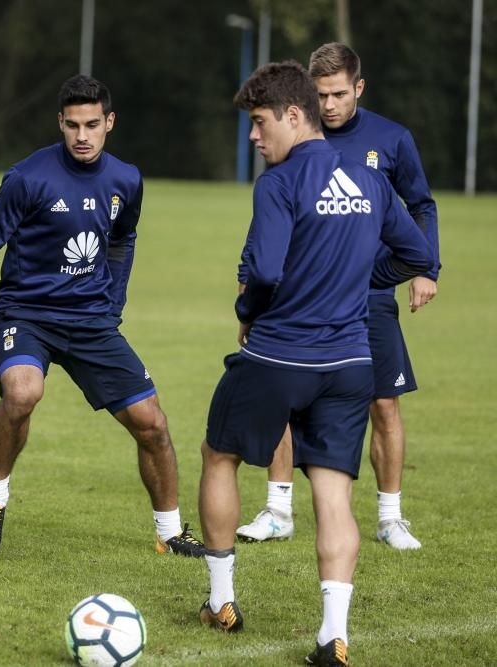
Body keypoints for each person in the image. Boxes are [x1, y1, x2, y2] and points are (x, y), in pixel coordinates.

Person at [196, 61, 431, 666]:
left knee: (219, 455)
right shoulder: (370, 180)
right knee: (333, 496)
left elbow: (267, 271)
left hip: (278, 353)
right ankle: (333, 636)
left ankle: (221, 600)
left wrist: (246, 306)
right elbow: (416, 253)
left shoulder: (277, 184)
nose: (253, 136)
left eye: (258, 122)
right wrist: (362, 283)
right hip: (352, 361)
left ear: (292, 116)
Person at [0, 74, 204, 558]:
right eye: (72, 125)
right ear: (60, 123)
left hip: (92, 321)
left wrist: (113, 303)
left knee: (152, 422)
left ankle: (171, 531)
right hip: (27, 314)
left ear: (109, 123)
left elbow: (122, 240)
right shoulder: (27, 178)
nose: (82, 135)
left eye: (92, 124)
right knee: (22, 393)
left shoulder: (126, 179)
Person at [235, 42, 440, 550]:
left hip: (365, 303)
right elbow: (267, 230)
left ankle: (390, 517)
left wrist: (414, 271)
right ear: (303, 102)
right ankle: (279, 508)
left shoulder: (390, 141)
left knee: (384, 404)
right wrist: (247, 276)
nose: (329, 105)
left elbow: (419, 206)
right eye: (321, 94)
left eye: (339, 94)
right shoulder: (294, 139)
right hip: (297, 301)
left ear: (359, 88)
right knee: (281, 400)